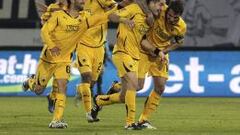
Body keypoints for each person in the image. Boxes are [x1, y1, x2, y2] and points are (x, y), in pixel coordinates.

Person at [95, 0, 187, 129]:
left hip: (160, 54)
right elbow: (141, 2)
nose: (171, 19)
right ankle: (117, 88)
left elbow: (179, 42)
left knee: (160, 87)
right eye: (169, 15)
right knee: (137, 86)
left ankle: (143, 119)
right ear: (167, 11)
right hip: (144, 50)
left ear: (180, 16)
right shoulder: (160, 9)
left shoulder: (181, 26)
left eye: (175, 18)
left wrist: (163, 51)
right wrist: (148, 13)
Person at [22, 0, 108, 128]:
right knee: (39, 89)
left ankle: (56, 120)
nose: (83, 2)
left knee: (63, 86)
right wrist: (51, 46)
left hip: (65, 59)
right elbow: (44, 31)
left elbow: (100, 17)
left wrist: (117, 11)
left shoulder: (84, 17)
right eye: (81, 0)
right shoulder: (57, 13)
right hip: (49, 59)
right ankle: (30, 82)